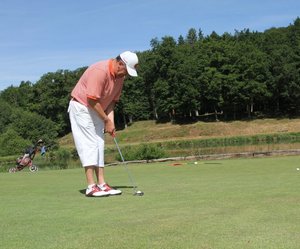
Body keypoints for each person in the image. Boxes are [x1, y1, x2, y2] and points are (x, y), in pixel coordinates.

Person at [68, 51, 139, 197]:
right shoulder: (99, 71)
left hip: (97, 109)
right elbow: (92, 99)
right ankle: (91, 186)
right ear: (120, 64)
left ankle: (102, 184)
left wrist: (110, 122)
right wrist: (106, 120)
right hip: (81, 107)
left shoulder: (120, 77)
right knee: (89, 144)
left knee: (99, 144)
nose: (125, 75)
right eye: (126, 70)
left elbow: (112, 102)